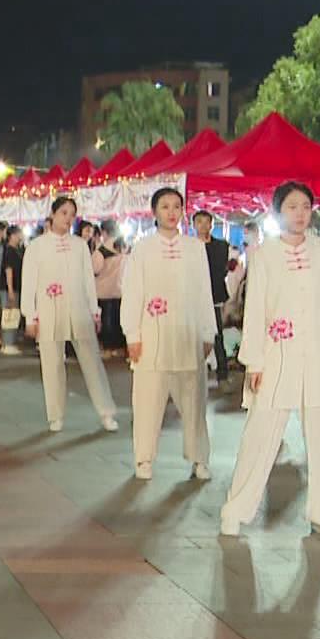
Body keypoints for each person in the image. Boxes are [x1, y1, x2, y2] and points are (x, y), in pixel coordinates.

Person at [219, 182, 320, 542]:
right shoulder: (263, 257)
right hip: (277, 355)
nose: (300, 213)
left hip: (319, 354)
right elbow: (256, 309)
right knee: (260, 435)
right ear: (278, 212)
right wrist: (255, 361)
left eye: (306, 206)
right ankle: (236, 510)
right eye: (292, 206)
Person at [121, 187, 215, 481]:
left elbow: (203, 291)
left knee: (194, 402)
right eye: (165, 206)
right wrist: (132, 334)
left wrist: (207, 331)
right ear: (154, 212)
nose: (172, 212)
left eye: (176, 206)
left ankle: (199, 458)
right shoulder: (143, 248)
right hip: (152, 335)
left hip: (187, 334)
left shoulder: (195, 247)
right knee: (148, 401)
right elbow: (133, 292)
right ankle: (143, 459)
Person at [21, 196, 119, 432]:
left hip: (78, 309)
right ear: (53, 214)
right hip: (48, 310)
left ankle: (106, 412)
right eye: (63, 212)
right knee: (52, 363)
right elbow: (29, 284)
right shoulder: (37, 247)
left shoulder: (80, 246)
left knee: (92, 362)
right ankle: (55, 414)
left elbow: (87, 280)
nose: (67, 218)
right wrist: (30, 316)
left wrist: (95, 311)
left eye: (71, 214)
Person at [194, 211, 232, 388]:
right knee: (193, 337)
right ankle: (194, 377)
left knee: (217, 337)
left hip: (214, 296)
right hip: (193, 297)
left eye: (206, 222)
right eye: (199, 222)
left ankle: (222, 375)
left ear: (211, 224)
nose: (202, 225)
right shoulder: (189, 247)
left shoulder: (221, 246)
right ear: (194, 225)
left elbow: (220, 270)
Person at [93, 222, 127, 351]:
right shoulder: (124, 247)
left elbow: (95, 269)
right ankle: (119, 347)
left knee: (106, 321)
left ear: (104, 232)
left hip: (103, 291)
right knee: (118, 320)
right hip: (120, 289)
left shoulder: (101, 251)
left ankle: (108, 347)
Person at [0, 225, 25, 356]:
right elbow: (9, 271)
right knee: (10, 314)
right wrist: (10, 290)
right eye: (20, 233)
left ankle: (7, 343)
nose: (21, 236)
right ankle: (8, 343)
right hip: (10, 288)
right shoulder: (10, 251)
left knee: (9, 314)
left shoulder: (14, 250)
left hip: (11, 287)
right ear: (13, 235)